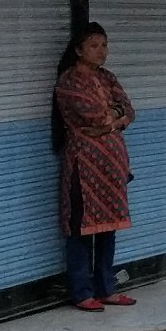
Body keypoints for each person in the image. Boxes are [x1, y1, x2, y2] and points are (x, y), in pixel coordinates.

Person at [52, 22, 136, 312]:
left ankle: (106, 288)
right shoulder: (70, 82)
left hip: (111, 168)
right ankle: (81, 291)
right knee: (80, 229)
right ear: (78, 50)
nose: (101, 51)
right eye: (93, 45)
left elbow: (129, 110)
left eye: (104, 45)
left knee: (107, 228)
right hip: (84, 167)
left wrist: (111, 120)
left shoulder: (108, 77)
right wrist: (113, 120)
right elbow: (96, 117)